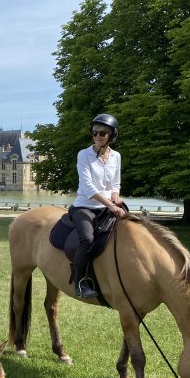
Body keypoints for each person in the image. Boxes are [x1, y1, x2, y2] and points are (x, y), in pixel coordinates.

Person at [69, 113, 127, 299]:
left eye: (102, 133)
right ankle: (79, 282)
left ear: (112, 135)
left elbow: (115, 184)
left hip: (108, 205)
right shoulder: (83, 155)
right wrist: (112, 205)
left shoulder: (116, 156)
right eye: (95, 133)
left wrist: (116, 196)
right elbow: (89, 189)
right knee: (87, 240)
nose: (98, 136)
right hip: (85, 206)